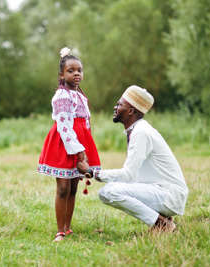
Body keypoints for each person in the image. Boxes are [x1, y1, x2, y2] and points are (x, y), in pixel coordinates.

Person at [79, 85, 188, 232]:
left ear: (130, 111)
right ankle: (163, 219)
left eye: (119, 104)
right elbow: (133, 177)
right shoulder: (137, 130)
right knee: (117, 187)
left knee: (108, 192)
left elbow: (127, 175)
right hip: (166, 193)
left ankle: (161, 224)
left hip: (170, 196)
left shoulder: (141, 132)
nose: (115, 107)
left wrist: (93, 173)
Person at [37, 47, 101, 242]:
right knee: (63, 188)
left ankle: (68, 226)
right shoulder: (61, 95)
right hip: (65, 143)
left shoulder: (82, 96)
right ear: (61, 75)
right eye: (71, 71)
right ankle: (59, 230)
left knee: (73, 187)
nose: (76, 74)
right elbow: (65, 125)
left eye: (79, 70)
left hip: (81, 142)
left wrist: (86, 147)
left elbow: (86, 123)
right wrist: (79, 150)